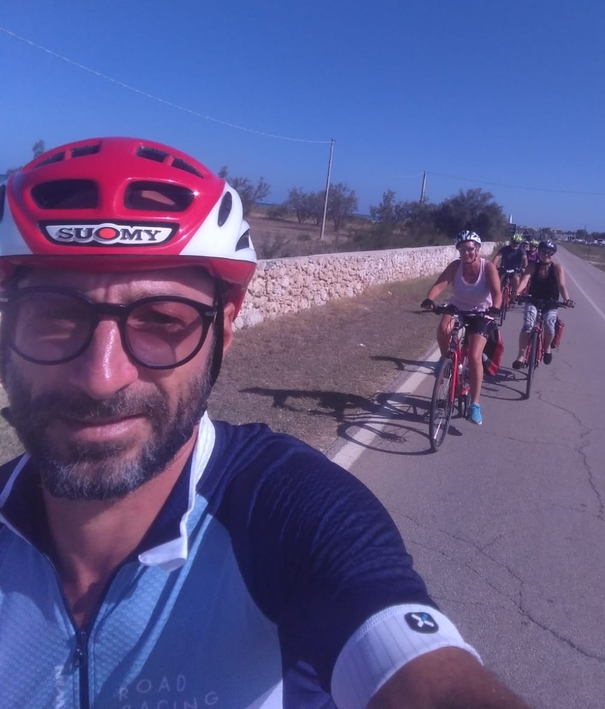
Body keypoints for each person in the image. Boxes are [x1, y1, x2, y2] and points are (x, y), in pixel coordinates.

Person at [0, 136, 530, 709]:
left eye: (160, 319)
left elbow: (411, 658)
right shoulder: (457, 266)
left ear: (223, 332)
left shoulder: (290, 514)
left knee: (471, 352)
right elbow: (436, 288)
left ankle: (469, 395)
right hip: (456, 311)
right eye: (54, 316)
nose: (101, 378)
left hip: (481, 317)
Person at [420, 231, 502, 427]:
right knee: (443, 330)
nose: (466, 253)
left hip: (482, 313)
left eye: (470, 249)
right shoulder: (455, 266)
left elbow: (497, 293)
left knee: (474, 356)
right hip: (458, 307)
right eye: (462, 249)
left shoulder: (487, 267)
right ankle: (446, 361)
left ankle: (475, 404)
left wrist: (495, 308)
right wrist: (429, 299)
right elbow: (440, 284)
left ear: (478, 250)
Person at [513, 240, 574, 368]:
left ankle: (547, 348)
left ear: (553, 255)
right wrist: (516, 292)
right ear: (539, 253)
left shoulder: (557, 268)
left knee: (549, 326)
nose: (546, 255)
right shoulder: (532, 266)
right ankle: (521, 355)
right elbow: (524, 281)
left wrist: (567, 299)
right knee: (528, 325)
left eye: (550, 253)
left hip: (551, 302)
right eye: (543, 252)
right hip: (533, 299)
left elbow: (562, 285)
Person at [493, 234, 527, 298]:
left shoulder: (521, 251)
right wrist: (493, 265)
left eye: (517, 243)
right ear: (511, 242)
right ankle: (497, 293)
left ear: (519, 243)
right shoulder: (505, 249)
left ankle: (514, 293)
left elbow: (525, 259)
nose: (515, 244)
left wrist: (524, 268)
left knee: (516, 278)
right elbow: (498, 256)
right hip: (504, 268)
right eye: (514, 242)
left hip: (516, 269)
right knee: (497, 280)